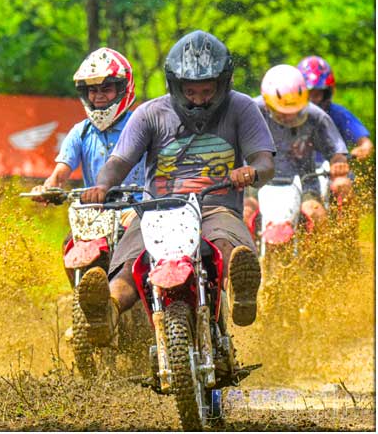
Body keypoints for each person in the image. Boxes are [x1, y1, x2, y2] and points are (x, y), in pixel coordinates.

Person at [78, 30, 276, 348]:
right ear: (176, 86)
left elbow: (265, 161)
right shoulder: (151, 113)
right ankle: (108, 311)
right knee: (132, 264)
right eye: (191, 91)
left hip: (216, 206)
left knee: (228, 246)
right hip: (157, 210)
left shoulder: (241, 109)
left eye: (207, 91)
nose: (199, 100)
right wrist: (102, 185)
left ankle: (240, 292)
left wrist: (251, 171)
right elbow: (119, 161)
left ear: (223, 84)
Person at [30, 47, 145, 287]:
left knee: (139, 244)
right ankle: (83, 304)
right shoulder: (80, 132)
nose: (99, 96)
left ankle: (147, 299)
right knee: (69, 244)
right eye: (93, 90)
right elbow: (60, 172)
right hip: (96, 211)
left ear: (123, 88)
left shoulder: (141, 125)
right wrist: (48, 188)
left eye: (106, 88)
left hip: (138, 207)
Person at [243, 64, 349, 228]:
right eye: (282, 110)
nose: (289, 115)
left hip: (304, 180)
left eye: (294, 108)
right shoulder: (249, 111)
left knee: (316, 213)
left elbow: (337, 151)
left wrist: (339, 163)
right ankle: (245, 252)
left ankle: (323, 253)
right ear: (267, 101)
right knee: (245, 212)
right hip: (255, 179)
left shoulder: (316, 116)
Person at [297, 55, 373, 162]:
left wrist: (362, 150)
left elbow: (366, 143)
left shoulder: (338, 113)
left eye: (317, 94)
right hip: (297, 174)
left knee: (344, 179)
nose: (312, 100)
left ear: (327, 93)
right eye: (308, 94)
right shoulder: (289, 116)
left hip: (334, 171)